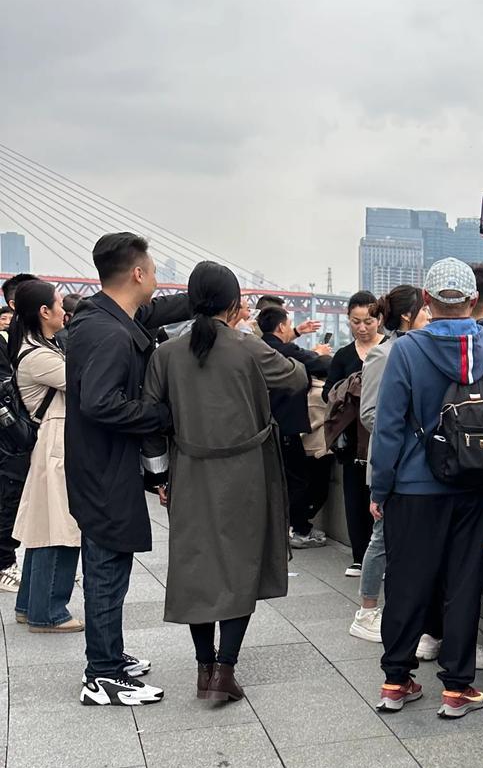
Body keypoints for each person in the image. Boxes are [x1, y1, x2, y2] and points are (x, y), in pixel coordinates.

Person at [369, 220, 483, 717]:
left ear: (427, 304)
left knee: (407, 581)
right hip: (471, 485)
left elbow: (388, 429)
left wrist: (380, 488)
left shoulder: (407, 350)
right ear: (474, 303)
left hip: (413, 488)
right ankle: (457, 688)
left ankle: (397, 681)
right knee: (462, 582)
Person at [142, 263, 308, 702]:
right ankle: (225, 671)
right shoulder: (248, 348)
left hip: (190, 470)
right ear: (234, 304)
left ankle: (203, 667)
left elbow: (150, 419)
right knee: (240, 566)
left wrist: (160, 475)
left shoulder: (166, 354)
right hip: (246, 471)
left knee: (198, 567)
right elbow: (297, 378)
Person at [65, 232, 192, 706]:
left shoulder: (104, 315)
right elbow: (100, 403)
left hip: (100, 464)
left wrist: (199, 296)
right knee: (104, 568)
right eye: (154, 271)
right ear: (137, 273)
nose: (157, 280)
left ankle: (110, 656)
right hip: (102, 469)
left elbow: (154, 314)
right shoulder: (107, 331)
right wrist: (163, 415)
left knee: (110, 564)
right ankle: (101, 675)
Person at [348, 283, 429, 642]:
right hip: (389, 460)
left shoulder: (418, 349)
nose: (429, 315)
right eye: (424, 310)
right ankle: (366, 610)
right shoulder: (382, 354)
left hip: (416, 462)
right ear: (409, 316)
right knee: (380, 538)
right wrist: (402, 424)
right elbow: (368, 413)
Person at [8, 281, 81, 633]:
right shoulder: (38, 356)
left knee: (44, 525)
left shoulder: (38, 346)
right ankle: (49, 611)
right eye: (58, 302)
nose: (64, 308)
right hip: (56, 440)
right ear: (44, 312)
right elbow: (84, 380)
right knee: (59, 526)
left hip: (53, 439)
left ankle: (29, 605)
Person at [257, 304, 332, 549]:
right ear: (281, 326)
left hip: (263, 426)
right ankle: (299, 529)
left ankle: (279, 529)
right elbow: (320, 366)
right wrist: (320, 354)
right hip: (286, 427)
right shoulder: (284, 350)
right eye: (289, 325)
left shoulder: (257, 347)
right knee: (298, 481)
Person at [322, 291, 383, 578]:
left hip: (381, 436)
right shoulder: (344, 356)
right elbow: (328, 392)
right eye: (355, 322)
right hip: (352, 440)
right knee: (355, 499)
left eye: (368, 321)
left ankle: (383, 556)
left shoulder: (390, 349)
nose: (362, 327)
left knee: (381, 500)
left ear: (379, 319)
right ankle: (360, 557)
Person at [0, 270, 42, 594]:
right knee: (9, 497)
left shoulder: (22, 333)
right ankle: (4, 565)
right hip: (12, 435)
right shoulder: (15, 337)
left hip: (18, 432)